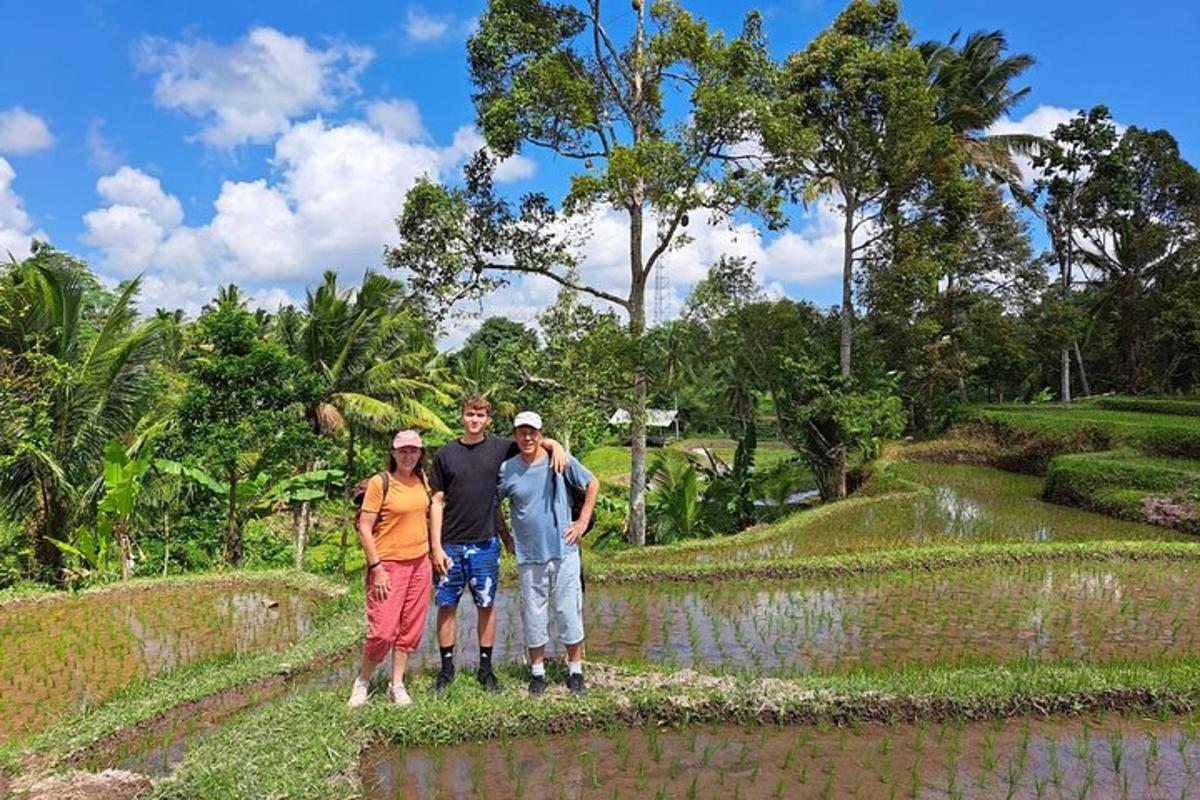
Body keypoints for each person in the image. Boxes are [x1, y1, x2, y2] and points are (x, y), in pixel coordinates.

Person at [428, 395, 566, 693]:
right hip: (450, 543)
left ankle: (486, 669)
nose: (474, 419)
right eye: (469, 414)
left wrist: (556, 446)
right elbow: (437, 501)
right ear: (462, 417)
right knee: (446, 605)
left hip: (485, 543)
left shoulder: (501, 448)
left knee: (486, 605)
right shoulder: (445, 454)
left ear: (488, 419)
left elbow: (533, 440)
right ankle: (447, 669)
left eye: (480, 415)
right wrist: (435, 546)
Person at [497, 411, 598, 697]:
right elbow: (493, 502)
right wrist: (505, 537)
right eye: (522, 432)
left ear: (541, 434)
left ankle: (575, 671)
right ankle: (537, 673)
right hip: (529, 555)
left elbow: (592, 483)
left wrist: (582, 521)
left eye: (533, 432)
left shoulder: (559, 459)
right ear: (515, 436)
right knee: (533, 614)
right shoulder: (507, 470)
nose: (528, 437)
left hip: (564, 551)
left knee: (568, 610)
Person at [348, 430, 432, 707]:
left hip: (420, 563)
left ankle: (397, 684)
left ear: (420, 453)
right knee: (382, 630)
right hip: (388, 566)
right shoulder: (380, 482)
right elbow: (364, 527)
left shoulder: (422, 480)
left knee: (410, 629)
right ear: (393, 453)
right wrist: (377, 568)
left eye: (413, 450)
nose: (408, 455)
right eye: (402, 450)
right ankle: (363, 681)